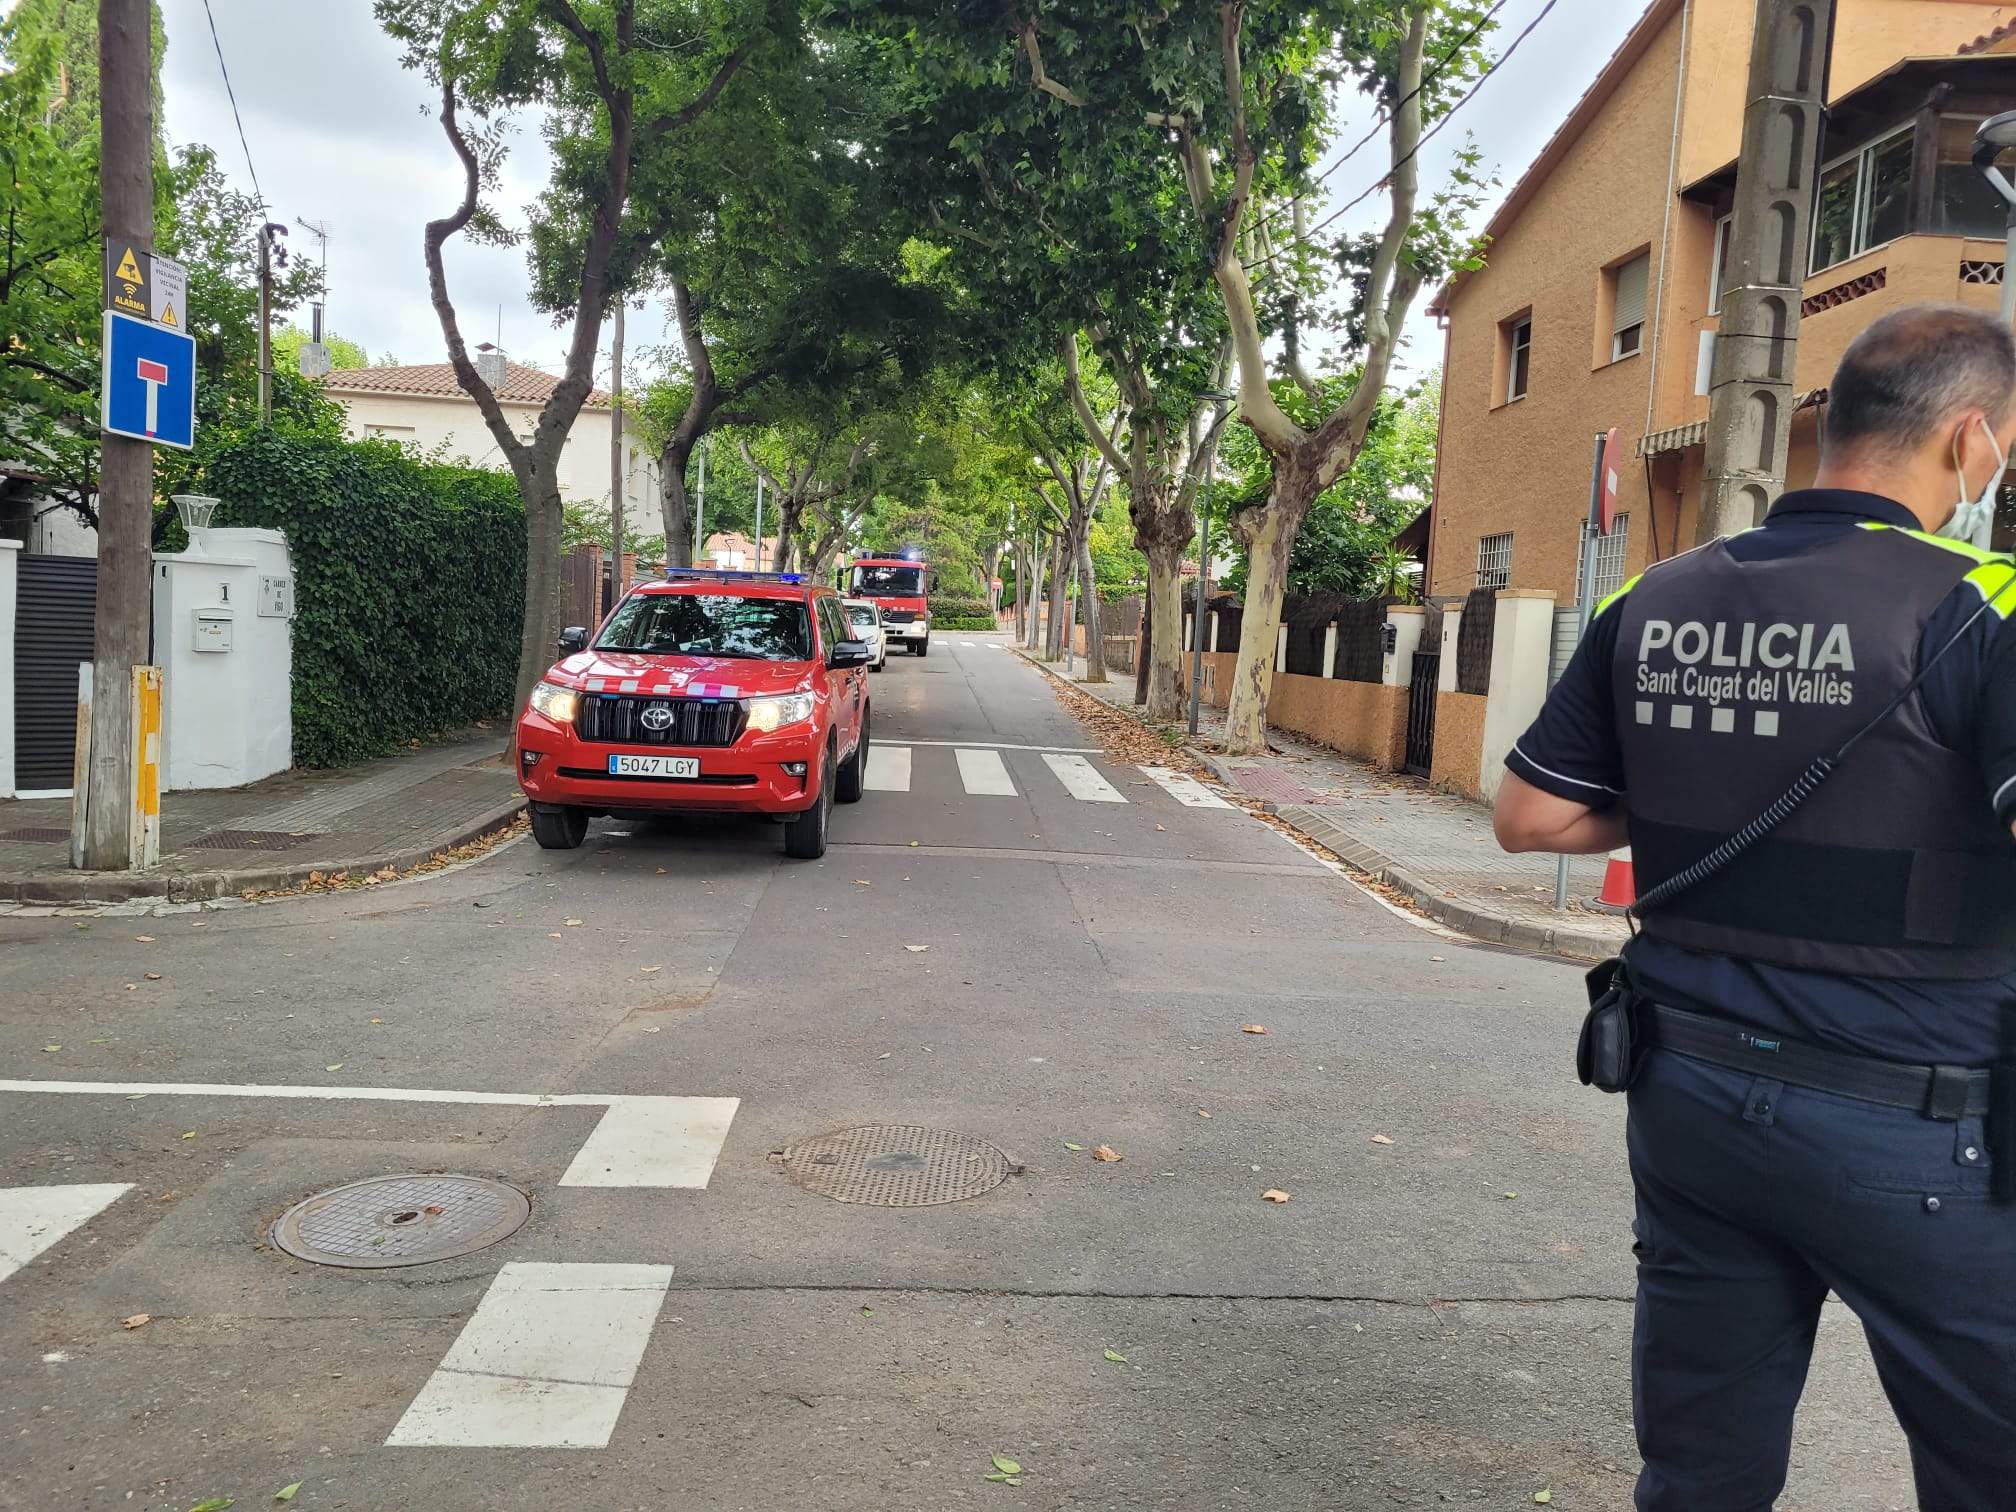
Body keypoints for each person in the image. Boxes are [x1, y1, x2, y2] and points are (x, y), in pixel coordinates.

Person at [1494, 302, 2016, 1510]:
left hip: (1693, 1105)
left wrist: (1704, 797)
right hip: (1924, 1123)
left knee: (1701, 1470)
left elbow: (1531, 817)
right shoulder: (1987, 602)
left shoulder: (1657, 598)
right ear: (1972, 442)